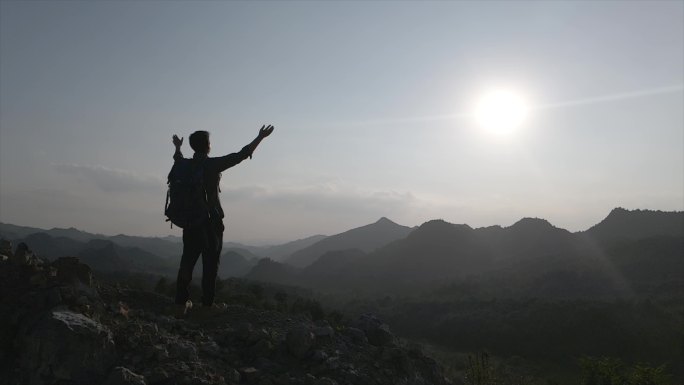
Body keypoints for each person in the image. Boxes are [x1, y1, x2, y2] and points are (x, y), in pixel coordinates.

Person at [171, 125, 274, 316]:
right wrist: (260, 137)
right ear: (208, 146)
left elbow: (177, 159)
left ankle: (179, 303)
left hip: (190, 221)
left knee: (187, 261)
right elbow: (241, 155)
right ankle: (207, 306)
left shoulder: (184, 165)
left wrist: (178, 147)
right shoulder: (212, 165)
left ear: (193, 147)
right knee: (210, 264)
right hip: (210, 223)